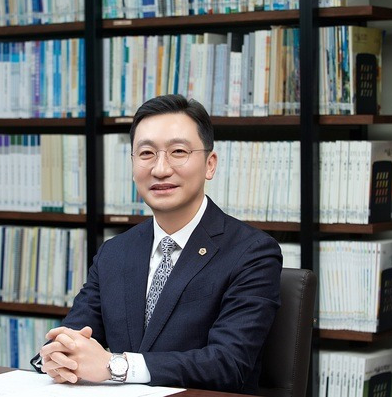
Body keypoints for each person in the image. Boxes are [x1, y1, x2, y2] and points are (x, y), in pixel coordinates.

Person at [31, 94, 282, 394]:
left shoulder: (252, 252)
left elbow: (229, 363)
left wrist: (117, 366)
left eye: (178, 152)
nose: (160, 169)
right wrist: (58, 356)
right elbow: (73, 336)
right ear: (133, 164)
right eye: (146, 153)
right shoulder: (115, 252)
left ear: (210, 164)